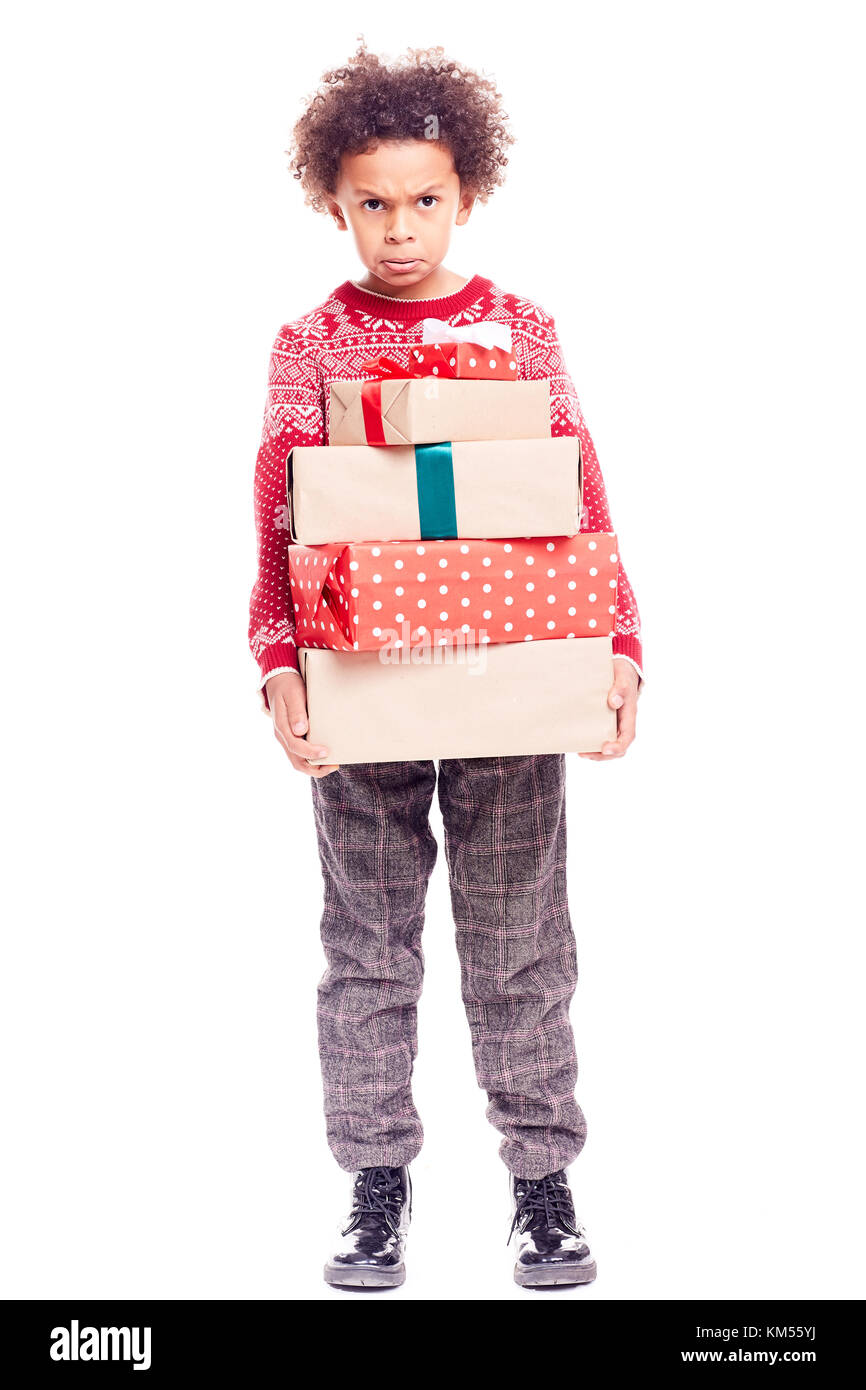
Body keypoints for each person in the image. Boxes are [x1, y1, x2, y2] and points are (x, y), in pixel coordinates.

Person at [248, 39, 644, 1290]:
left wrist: (616, 642)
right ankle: (375, 1181)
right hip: (361, 676)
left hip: (508, 669)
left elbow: (577, 489)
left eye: (424, 200)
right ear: (333, 200)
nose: (399, 228)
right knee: (367, 940)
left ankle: (541, 1181)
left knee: (520, 937)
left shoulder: (517, 326)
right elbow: (277, 517)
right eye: (372, 201)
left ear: (466, 193)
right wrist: (279, 665)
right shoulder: (312, 343)